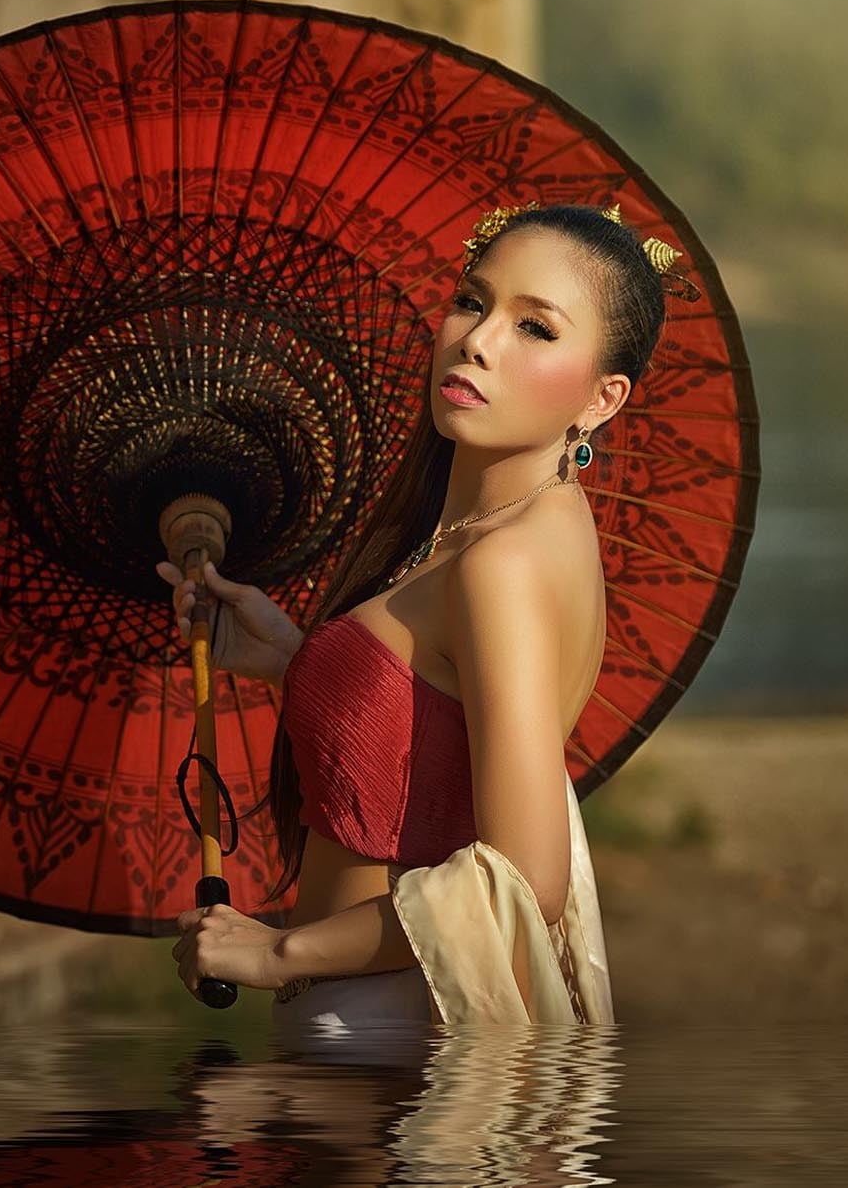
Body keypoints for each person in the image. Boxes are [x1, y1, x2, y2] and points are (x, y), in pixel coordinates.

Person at [159, 201, 687, 1048]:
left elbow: (523, 884)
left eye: (536, 328)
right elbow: (437, 736)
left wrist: (277, 947)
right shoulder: (527, 524)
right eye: (474, 301)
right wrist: (297, 660)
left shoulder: (499, 565)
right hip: (378, 1013)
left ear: (602, 398)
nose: (478, 339)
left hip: (385, 1025)